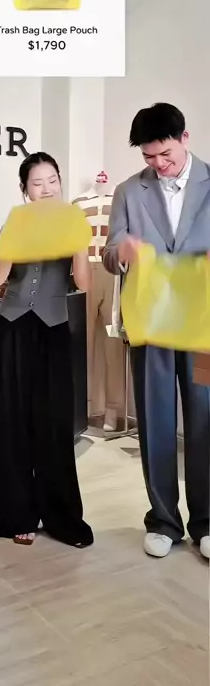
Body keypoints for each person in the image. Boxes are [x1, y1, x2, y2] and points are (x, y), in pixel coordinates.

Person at [103, 102, 210, 559]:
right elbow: (109, 255)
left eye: (165, 154)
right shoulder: (129, 191)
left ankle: (206, 522)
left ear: (185, 138)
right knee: (156, 421)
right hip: (151, 322)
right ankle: (164, 520)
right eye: (149, 157)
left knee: (205, 419)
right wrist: (122, 252)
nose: (159, 164)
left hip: (203, 328)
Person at [0, 152, 94, 548]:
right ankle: (16, 514)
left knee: (53, 422)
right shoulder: (14, 221)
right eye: (37, 183)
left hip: (53, 327)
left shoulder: (72, 221)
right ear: (24, 189)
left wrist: (78, 243)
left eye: (52, 181)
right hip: (12, 325)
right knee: (12, 421)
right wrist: (14, 243)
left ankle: (61, 517)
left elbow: (83, 282)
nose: (46, 189)